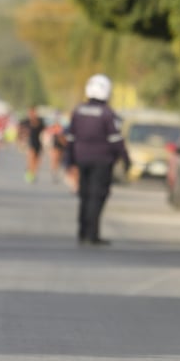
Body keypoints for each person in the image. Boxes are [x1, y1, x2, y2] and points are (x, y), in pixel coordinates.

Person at [65, 74, 130, 246]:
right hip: (102, 161)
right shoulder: (108, 114)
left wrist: (69, 160)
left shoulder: (78, 111)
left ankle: (82, 231)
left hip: (81, 159)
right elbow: (116, 140)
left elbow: (70, 137)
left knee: (84, 196)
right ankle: (92, 234)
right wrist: (125, 159)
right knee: (97, 196)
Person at [18, 106, 46, 183]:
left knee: (37, 160)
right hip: (29, 143)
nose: (32, 114)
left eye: (33, 112)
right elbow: (20, 132)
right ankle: (29, 173)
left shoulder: (40, 122)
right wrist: (20, 142)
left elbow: (44, 132)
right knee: (31, 157)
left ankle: (33, 173)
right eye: (30, 112)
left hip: (38, 143)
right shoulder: (25, 122)